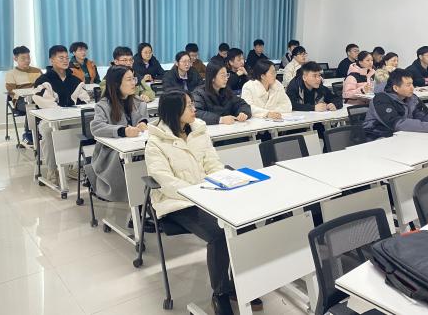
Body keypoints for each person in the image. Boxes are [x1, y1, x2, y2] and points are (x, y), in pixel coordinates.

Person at [145, 91, 262, 315]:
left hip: (208, 193)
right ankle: (220, 293)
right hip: (178, 202)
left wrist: (222, 181)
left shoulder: (199, 130)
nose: (194, 109)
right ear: (174, 112)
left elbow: (213, 163)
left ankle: (238, 281)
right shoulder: (156, 142)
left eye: (192, 104)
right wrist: (198, 193)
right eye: (189, 106)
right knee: (219, 234)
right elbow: (166, 182)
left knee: (245, 223)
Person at [89, 66, 149, 201]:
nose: (134, 83)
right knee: (134, 164)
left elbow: (142, 117)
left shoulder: (137, 101)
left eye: (134, 79)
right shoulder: (103, 105)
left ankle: (145, 197)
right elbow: (96, 127)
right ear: (116, 84)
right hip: (112, 152)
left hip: (135, 147)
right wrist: (123, 131)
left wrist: (143, 122)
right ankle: (138, 198)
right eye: (129, 80)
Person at [34, 45, 89, 185]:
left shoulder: (75, 80)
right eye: (61, 58)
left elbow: (84, 100)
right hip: (50, 120)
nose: (65, 60)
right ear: (51, 60)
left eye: (66, 57)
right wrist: (63, 112)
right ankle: (52, 169)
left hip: (71, 118)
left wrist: (71, 111)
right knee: (49, 133)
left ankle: (75, 167)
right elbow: (46, 104)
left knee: (83, 129)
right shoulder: (43, 80)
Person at [363, 68, 428, 141]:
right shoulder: (381, 100)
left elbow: (424, 114)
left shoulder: (411, 98)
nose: (412, 88)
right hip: (378, 137)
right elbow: (397, 124)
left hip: (403, 135)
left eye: (412, 84)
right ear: (396, 88)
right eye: (408, 85)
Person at [5, 45, 42, 145]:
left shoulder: (37, 71)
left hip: (38, 98)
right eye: (23, 58)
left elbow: (44, 85)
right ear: (15, 58)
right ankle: (28, 133)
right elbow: (12, 91)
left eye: (28, 58)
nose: (27, 60)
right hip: (21, 101)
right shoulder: (11, 73)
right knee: (32, 106)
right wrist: (26, 94)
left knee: (43, 104)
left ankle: (42, 131)